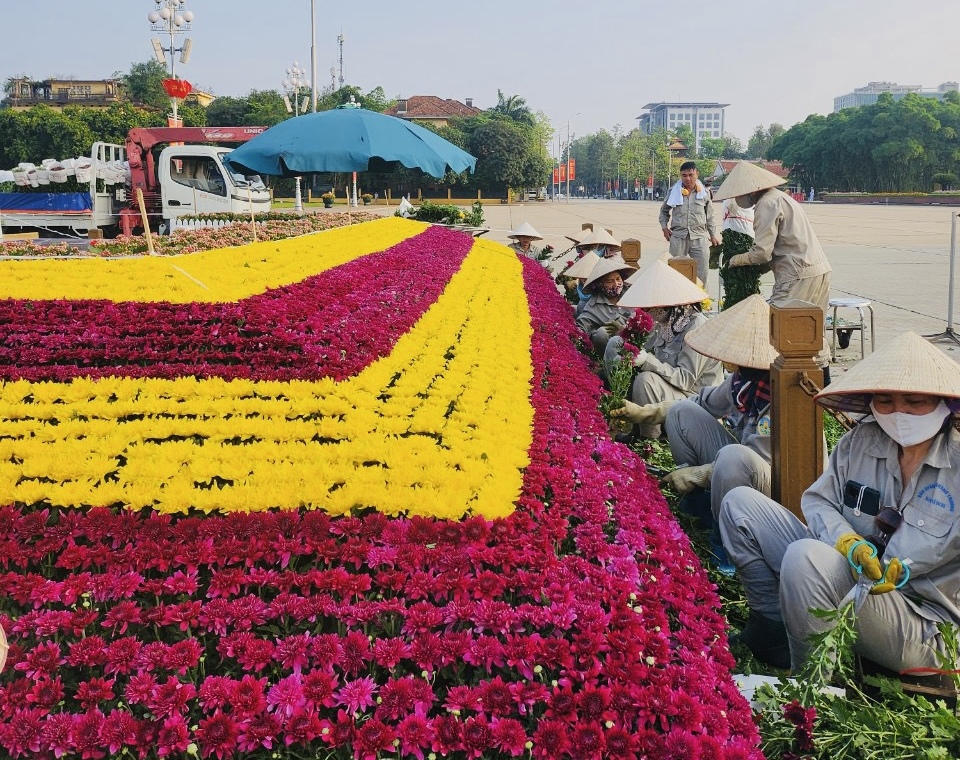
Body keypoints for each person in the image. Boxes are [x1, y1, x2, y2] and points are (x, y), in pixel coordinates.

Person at [719, 331, 960, 673]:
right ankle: (771, 625)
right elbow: (819, 502)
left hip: (920, 620)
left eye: (915, 402)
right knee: (741, 505)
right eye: (886, 401)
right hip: (848, 576)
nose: (899, 412)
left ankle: (814, 686)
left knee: (806, 558)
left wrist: (905, 566)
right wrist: (846, 541)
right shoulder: (860, 442)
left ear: (945, 404)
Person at [713, 161, 832, 366]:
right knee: (813, 335)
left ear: (750, 191)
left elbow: (761, 253)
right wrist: (759, 270)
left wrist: (736, 260)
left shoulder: (766, 204)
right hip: (819, 270)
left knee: (780, 331)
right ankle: (823, 385)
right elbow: (779, 247)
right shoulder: (782, 197)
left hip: (796, 275)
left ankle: (781, 388)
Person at [607, 260, 723, 438]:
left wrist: (647, 361)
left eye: (651, 307)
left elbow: (685, 379)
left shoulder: (696, 326)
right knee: (617, 347)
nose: (648, 311)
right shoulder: (666, 323)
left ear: (669, 304)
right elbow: (647, 349)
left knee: (646, 380)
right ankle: (630, 422)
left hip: (695, 399)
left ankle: (649, 439)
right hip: (671, 390)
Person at [659, 161, 721, 286]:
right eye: (684, 175)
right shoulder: (673, 191)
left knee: (702, 274)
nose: (687, 178)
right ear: (680, 176)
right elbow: (664, 211)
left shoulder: (704, 193)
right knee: (675, 271)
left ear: (697, 174)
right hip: (678, 237)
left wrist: (713, 235)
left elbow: (709, 216)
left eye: (691, 174)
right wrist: (664, 228)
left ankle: (703, 303)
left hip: (699, 237)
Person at [575, 257, 636, 353]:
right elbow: (582, 325)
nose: (616, 284)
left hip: (637, 338)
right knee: (601, 333)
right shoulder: (594, 305)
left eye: (618, 279)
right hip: (613, 348)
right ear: (601, 285)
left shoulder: (633, 291)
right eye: (609, 281)